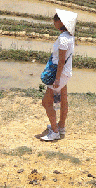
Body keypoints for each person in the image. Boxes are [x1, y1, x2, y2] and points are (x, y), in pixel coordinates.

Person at [40, 9, 77, 141]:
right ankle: (61, 126)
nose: (54, 23)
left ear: (61, 22)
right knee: (63, 100)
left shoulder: (63, 39)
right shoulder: (70, 37)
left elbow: (61, 61)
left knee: (46, 102)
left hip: (59, 74)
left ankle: (54, 132)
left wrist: (56, 79)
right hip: (66, 73)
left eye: (55, 20)